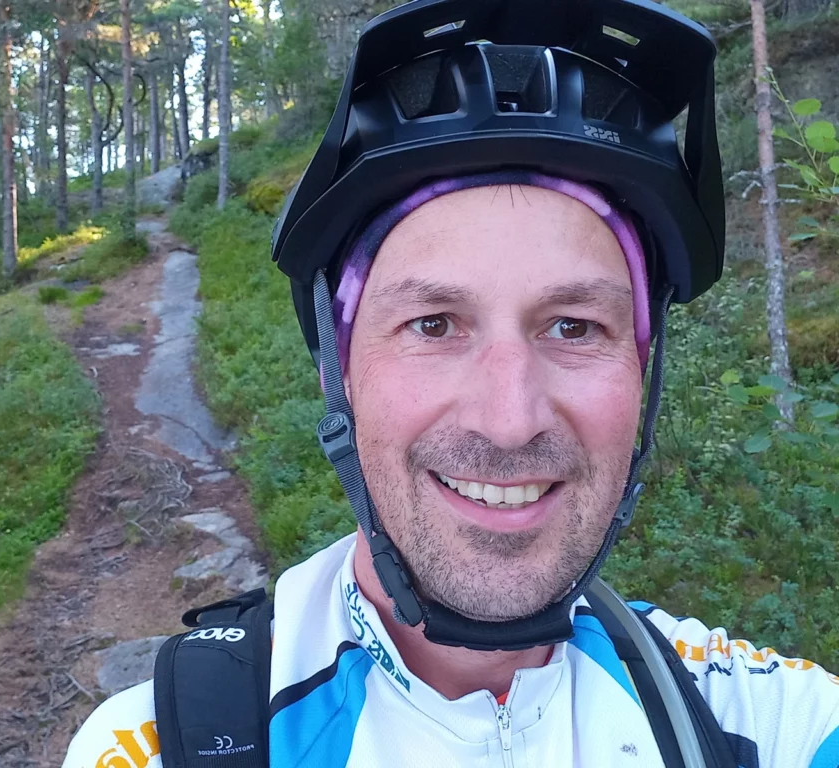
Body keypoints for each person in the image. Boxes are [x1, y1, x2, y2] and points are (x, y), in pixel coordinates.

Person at [63, 1, 839, 766]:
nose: (510, 419)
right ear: (338, 373)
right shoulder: (164, 744)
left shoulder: (757, 721)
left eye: (575, 327)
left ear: (643, 372)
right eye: (433, 324)